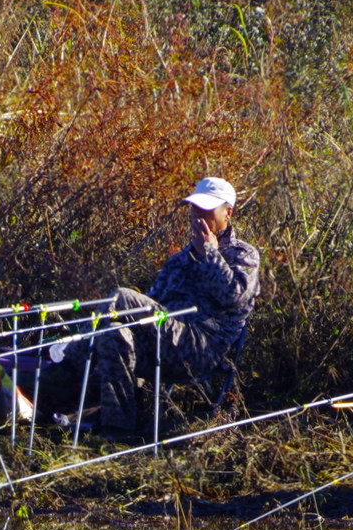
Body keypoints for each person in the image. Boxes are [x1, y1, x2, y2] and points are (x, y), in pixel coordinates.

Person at [78, 177, 261, 435]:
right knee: (114, 333)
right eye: (195, 209)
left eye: (207, 210)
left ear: (227, 213)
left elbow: (234, 296)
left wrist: (210, 252)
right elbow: (152, 305)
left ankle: (64, 362)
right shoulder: (178, 261)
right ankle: (118, 429)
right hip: (166, 342)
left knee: (122, 297)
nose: (198, 216)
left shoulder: (243, 255)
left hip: (203, 349)